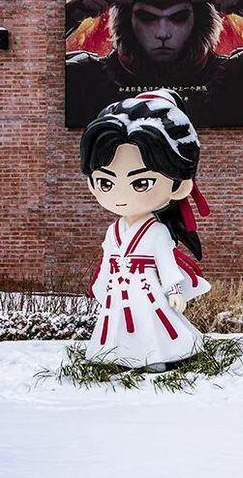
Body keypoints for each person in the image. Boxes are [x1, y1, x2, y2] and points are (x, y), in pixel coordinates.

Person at [82, 89, 211, 369]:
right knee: (117, 323)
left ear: (179, 186)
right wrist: (101, 285)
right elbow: (107, 261)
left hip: (146, 288)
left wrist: (174, 289)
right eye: (105, 183)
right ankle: (117, 356)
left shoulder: (157, 231)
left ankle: (157, 357)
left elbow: (166, 263)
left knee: (152, 322)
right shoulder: (113, 232)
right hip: (118, 287)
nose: (120, 195)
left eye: (141, 183)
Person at [66, 0, 243, 127]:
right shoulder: (85, 78)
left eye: (178, 17)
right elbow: (47, 68)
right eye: (147, 17)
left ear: (199, 20)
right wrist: (74, 12)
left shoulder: (238, 77)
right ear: (127, 20)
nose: (162, 33)